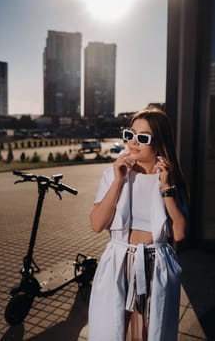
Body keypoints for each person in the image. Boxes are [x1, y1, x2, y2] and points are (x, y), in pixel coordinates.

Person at [88, 106, 189, 341]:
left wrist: (166, 188)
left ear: (159, 142)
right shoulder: (114, 174)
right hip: (118, 261)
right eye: (130, 134)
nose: (133, 142)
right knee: (112, 331)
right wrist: (118, 181)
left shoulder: (170, 178)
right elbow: (96, 224)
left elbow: (180, 232)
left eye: (142, 138)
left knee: (149, 333)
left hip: (155, 264)